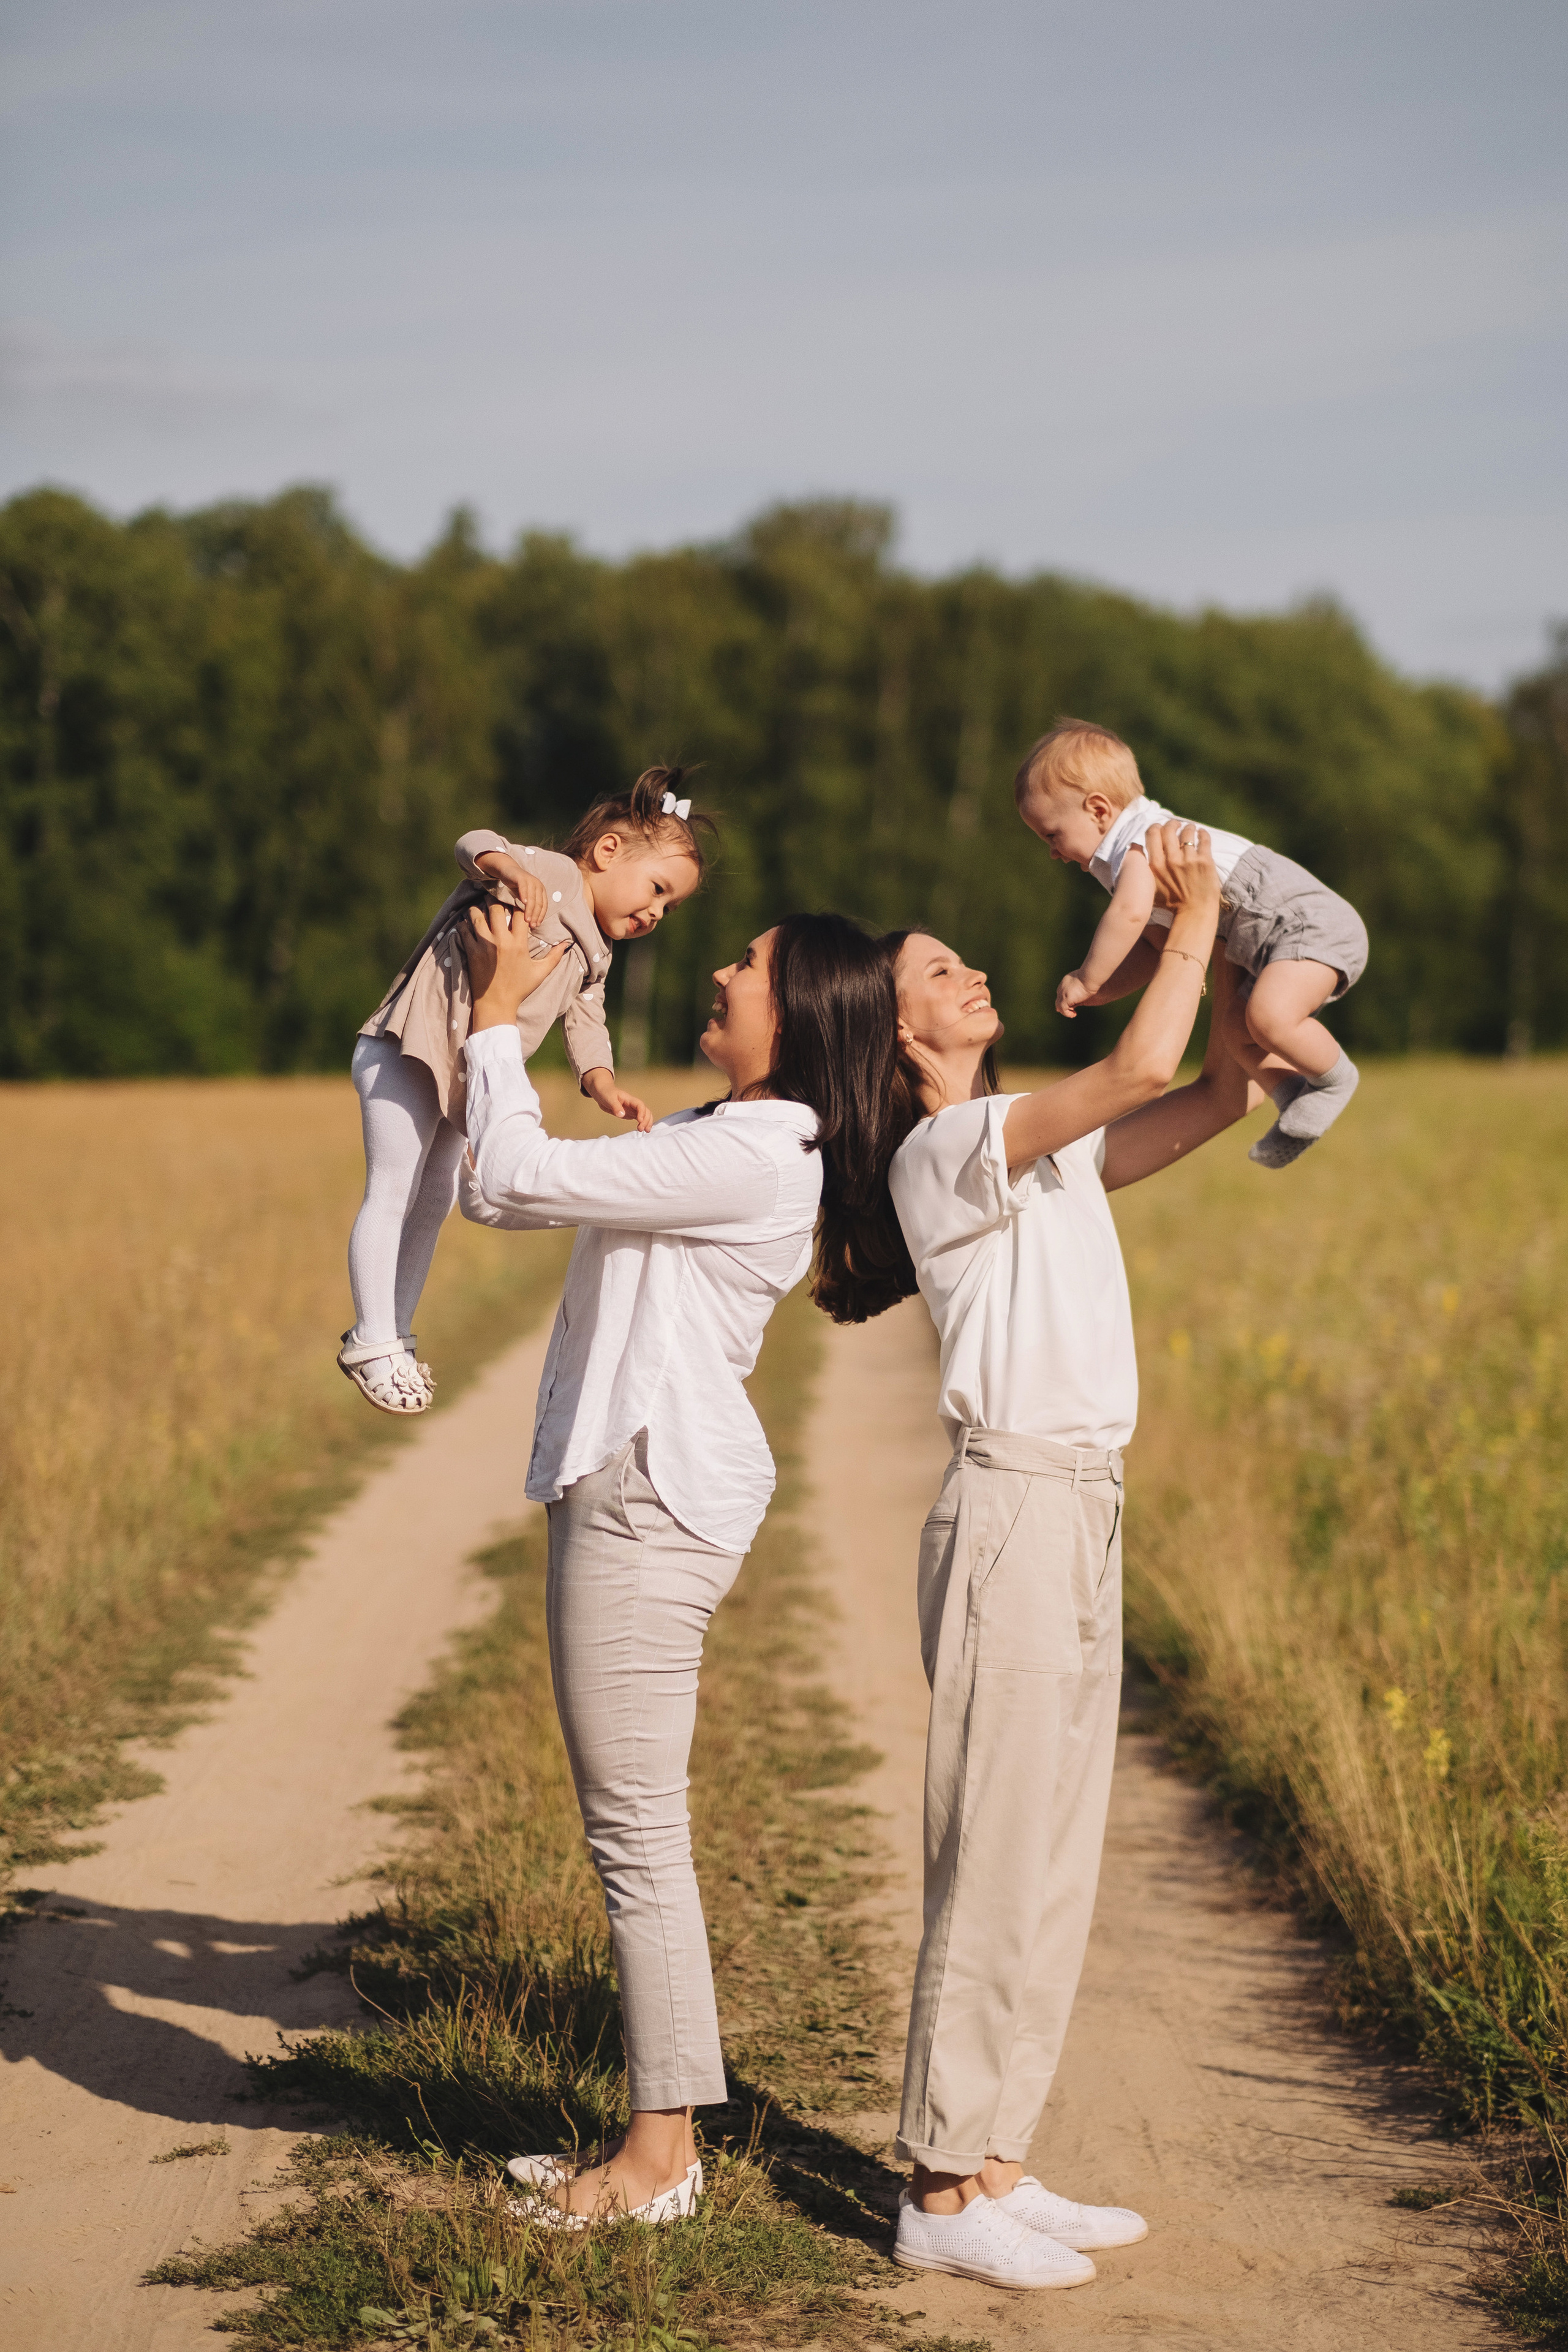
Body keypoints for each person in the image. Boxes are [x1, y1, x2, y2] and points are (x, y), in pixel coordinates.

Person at [454, 897, 905, 2226]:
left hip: (649, 1498)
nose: (717, 968)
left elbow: (507, 1181)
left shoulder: (761, 1154)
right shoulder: (719, 1136)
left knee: (637, 1836)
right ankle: (656, 2141)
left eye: (748, 965)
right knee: (630, 1832)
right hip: (629, 1483)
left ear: (802, 1017)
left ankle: (659, 2165)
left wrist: (493, 1016)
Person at [880, 824, 1264, 2293]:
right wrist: (1189, 902)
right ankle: (932, 2183)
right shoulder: (944, 1149)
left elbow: (1215, 1090)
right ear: (895, 1026)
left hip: (1082, 1502)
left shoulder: (1041, 1148)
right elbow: (1134, 1072)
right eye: (938, 970)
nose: (971, 971)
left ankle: (989, 2157)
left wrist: (1241, 957)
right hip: (1012, 1510)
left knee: (1049, 1855)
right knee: (992, 1852)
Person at [340, 767, 714, 1415]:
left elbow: (587, 1019)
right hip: (408, 1046)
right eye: (657, 890)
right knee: (393, 1188)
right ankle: (370, 1342)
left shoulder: (597, 952)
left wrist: (602, 1083)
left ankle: (396, 1331)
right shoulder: (554, 879)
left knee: (435, 1200)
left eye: (669, 908)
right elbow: (472, 841)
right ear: (607, 852)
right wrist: (508, 872)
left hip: (463, 1077)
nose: (656, 912)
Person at [1016, 718, 1367, 1170]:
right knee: (1239, 1032)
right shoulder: (1129, 857)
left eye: (1052, 835)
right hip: (1270, 944)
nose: (1053, 852)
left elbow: (1129, 917)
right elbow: (1153, 950)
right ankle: (1295, 1100)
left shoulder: (1143, 844)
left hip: (1307, 923)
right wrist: (1105, 989)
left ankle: (1335, 1081)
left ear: (1099, 810)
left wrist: (1088, 975)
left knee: (1267, 1017)